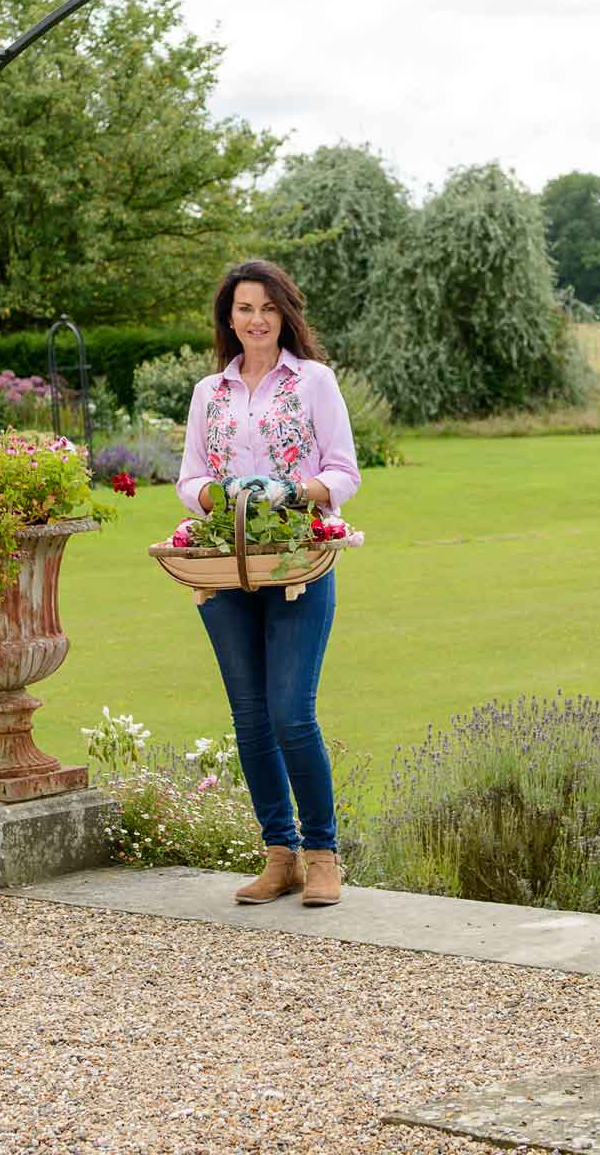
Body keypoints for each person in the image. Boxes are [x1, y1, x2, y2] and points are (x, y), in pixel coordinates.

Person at [177, 259, 360, 908]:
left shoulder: (313, 381)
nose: (256, 320)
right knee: (251, 719)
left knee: (290, 713)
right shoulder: (210, 393)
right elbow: (188, 478)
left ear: (285, 314)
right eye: (244, 309)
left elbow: (342, 470)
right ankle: (278, 856)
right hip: (225, 564)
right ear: (229, 318)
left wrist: (288, 493)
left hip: (297, 562)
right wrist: (219, 493)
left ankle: (323, 856)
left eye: (267, 308)